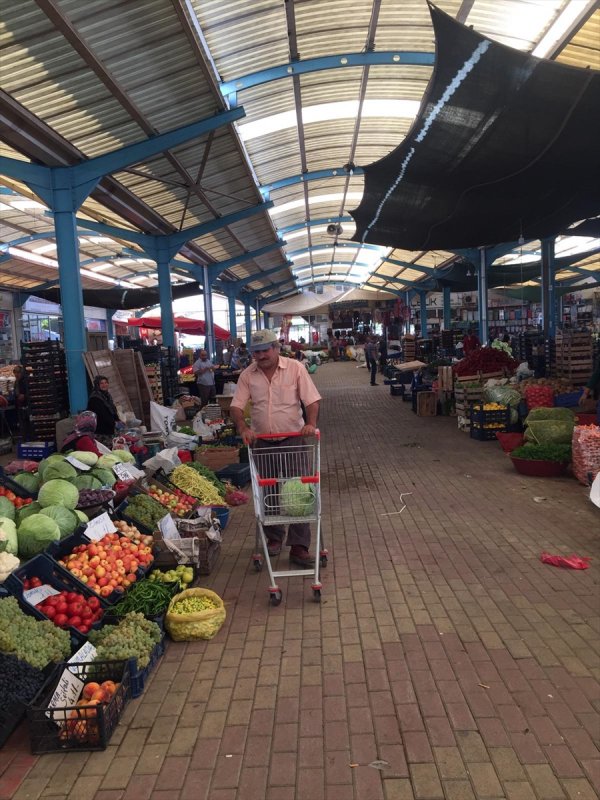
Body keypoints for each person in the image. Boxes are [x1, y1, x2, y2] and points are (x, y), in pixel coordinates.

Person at [229, 329, 321, 567]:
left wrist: (310, 424)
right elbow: (236, 406)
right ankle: (274, 539)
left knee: (299, 491)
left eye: (265, 350)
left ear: (276, 348)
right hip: (262, 443)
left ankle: (299, 546)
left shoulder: (295, 368)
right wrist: (243, 427)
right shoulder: (248, 375)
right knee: (268, 493)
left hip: (293, 440)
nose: (260, 356)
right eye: (256, 352)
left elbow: (312, 400)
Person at [12, 365, 30, 440]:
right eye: (15, 373)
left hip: (27, 407)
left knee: (28, 425)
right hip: (20, 407)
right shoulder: (16, 382)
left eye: (18, 373)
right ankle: (24, 440)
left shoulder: (26, 381)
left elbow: (31, 392)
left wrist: (25, 396)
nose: (16, 374)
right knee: (23, 426)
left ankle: (29, 439)